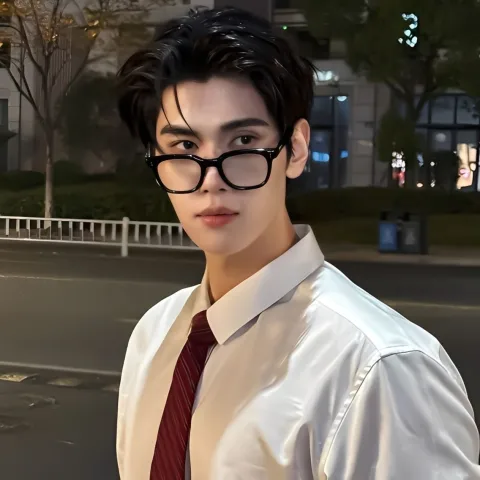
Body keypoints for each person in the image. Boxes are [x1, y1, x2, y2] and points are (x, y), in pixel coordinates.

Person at [115, 7, 480, 480]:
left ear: (296, 149)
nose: (211, 179)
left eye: (242, 141)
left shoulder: (377, 369)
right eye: (185, 148)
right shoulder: (154, 336)